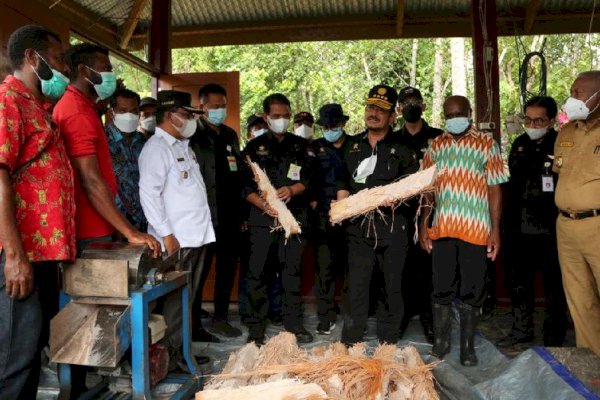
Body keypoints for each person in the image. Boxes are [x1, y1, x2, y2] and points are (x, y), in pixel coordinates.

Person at [0, 24, 75, 400]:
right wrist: (14, 255)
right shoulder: (7, 100)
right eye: (59, 59)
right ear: (33, 58)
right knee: (14, 358)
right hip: (19, 254)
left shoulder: (39, 106)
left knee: (31, 350)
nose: (64, 68)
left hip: (42, 252)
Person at [419, 95, 508, 366]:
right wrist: (424, 223)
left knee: (473, 290)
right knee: (441, 289)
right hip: (443, 228)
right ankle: (441, 343)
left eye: (459, 112)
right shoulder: (435, 146)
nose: (454, 117)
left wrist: (495, 230)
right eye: (449, 113)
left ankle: (468, 348)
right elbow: (428, 189)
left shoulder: (487, 144)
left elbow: (495, 189)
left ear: (470, 113)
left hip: (476, 229)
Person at [53, 43, 159, 254]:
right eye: (107, 68)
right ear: (84, 70)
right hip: (89, 230)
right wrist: (129, 231)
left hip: (102, 223)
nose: (111, 74)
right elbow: (90, 180)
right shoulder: (76, 111)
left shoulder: (84, 107)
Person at [139, 89, 215, 368]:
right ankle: (171, 358)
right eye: (186, 115)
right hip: (177, 241)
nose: (191, 120)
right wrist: (167, 235)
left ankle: (182, 352)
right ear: (171, 116)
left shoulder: (182, 146)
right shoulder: (157, 149)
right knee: (174, 304)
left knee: (186, 301)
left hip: (194, 236)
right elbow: (149, 194)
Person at [337, 85, 418, 346]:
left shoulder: (404, 148)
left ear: (393, 115)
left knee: (392, 287)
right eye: (370, 107)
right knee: (356, 288)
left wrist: (398, 197)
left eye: (381, 110)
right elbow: (342, 183)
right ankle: (351, 343)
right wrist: (341, 205)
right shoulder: (351, 145)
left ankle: (388, 343)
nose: (373, 113)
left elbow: (414, 188)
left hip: (393, 227)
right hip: (358, 228)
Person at [241, 93, 313, 345]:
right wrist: (262, 204)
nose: (281, 120)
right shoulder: (253, 148)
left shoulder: (301, 146)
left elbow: (311, 180)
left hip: (293, 221)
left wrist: (293, 190)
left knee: (291, 273)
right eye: (276, 116)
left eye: (285, 116)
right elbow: (243, 187)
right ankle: (256, 329)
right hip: (262, 221)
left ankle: (294, 324)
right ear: (265, 116)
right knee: (257, 274)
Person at [499, 96, 567, 347]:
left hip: (550, 229)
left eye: (538, 119)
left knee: (554, 287)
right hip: (519, 228)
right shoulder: (519, 144)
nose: (532, 123)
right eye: (528, 118)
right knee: (519, 284)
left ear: (551, 121)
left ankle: (554, 337)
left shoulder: (560, 143)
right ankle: (521, 331)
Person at [190, 83, 243, 338]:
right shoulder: (193, 136)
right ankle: (194, 321)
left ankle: (221, 317)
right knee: (198, 270)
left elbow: (239, 175)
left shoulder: (231, 135)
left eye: (223, 106)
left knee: (226, 268)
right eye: (214, 106)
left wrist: (242, 213)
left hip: (230, 215)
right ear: (202, 107)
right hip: (203, 215)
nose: (219, 111)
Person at [553, 71, 600, 356]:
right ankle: (593, 366)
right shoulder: (567, 131)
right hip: (566, 226)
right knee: (580, 300)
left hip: (597, 224)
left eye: (579, 93)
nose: (572, 98)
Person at [395, 86, 443, 342]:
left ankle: (429, 320)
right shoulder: (392, 140)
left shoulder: (439, 137)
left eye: (415, 101)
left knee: (430, 269)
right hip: (401, 214)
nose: (411, 106)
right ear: (399, 108)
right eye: (406, 102)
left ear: (423, 106)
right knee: (401, 268)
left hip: (432, 211)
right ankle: (402, 317)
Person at [310, 103, 350, 335]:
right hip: (323, 219)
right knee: (324, 270)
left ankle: (353, 316)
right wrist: (314, 202)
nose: (329, 129)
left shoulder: (356, 146)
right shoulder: (315, 148)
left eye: (333, 125)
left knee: (351, 270)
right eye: (325, 126)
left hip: (350, 218)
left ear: (343, 124)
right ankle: (325, 316)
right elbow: (308, 179)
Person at [239, 113, 283, 324]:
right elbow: (241, 186)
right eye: (255, 128)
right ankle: (251, 315)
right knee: (254, 272)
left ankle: (274, 311)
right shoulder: (247, 152)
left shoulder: (281, 148)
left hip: (278, 218)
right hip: (254, 219)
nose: (260, 131)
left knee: (275, 269)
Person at [106, 88, 147, 232]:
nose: (129, 116)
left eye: (134, 111)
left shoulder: (144, 142)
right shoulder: (103, 142)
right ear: (112, 112)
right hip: (115, 223)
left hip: (145, 220)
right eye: (123, 111)